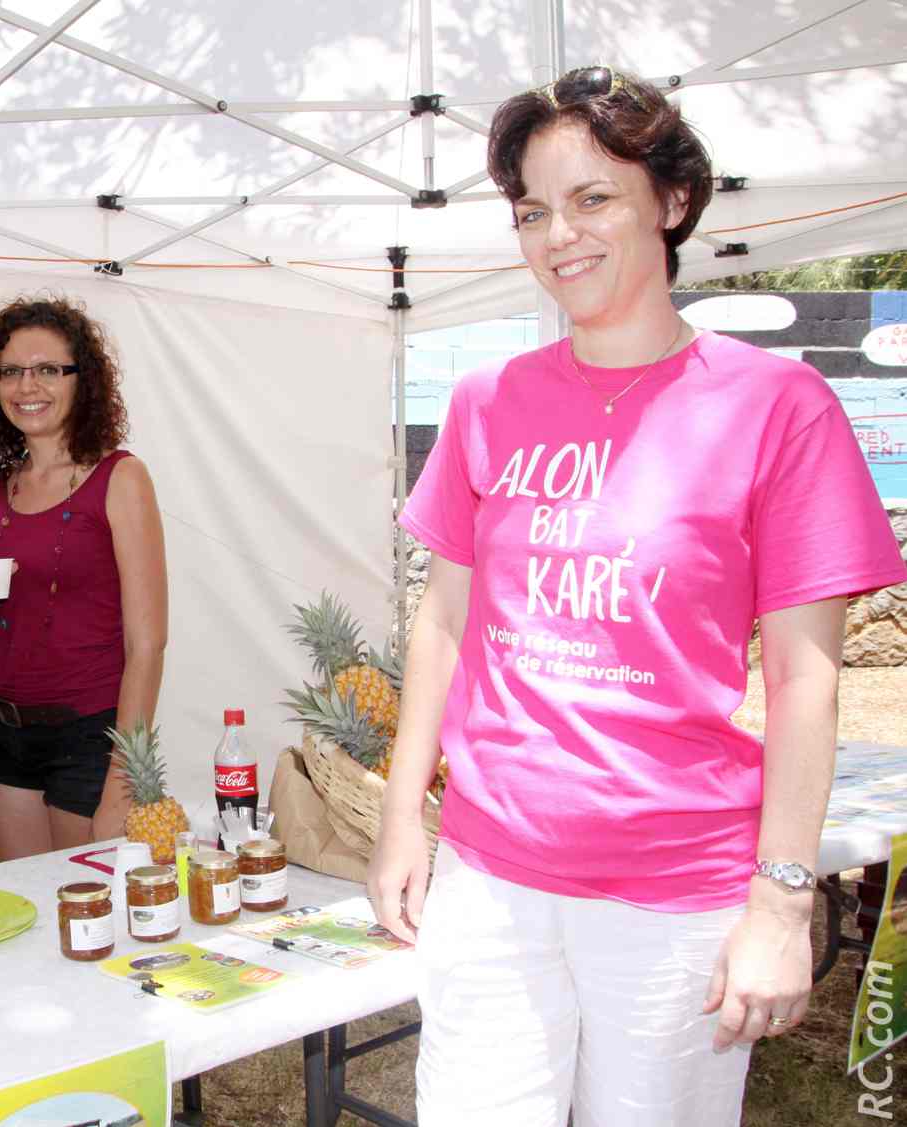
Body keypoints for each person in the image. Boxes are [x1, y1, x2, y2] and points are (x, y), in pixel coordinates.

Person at [366, 67, 907, 1125]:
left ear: (669, 200)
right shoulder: (487, 403)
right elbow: (440, 624)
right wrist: (400, 822)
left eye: (590, 197)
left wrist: (781, 898)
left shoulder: (774, 406)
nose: (556, 234)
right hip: (487, 875)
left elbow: (804, 677)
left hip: (673, 892)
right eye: (530, 209)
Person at [0, 296, 168, 860]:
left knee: (84, 908)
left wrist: (123, 778)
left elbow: (147, 645)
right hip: (1, 730)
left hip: (89, 737)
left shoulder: (120, 478)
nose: (29, 386)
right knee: (27, 910)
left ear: (83, 380)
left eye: (49, 369)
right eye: (12, 371)